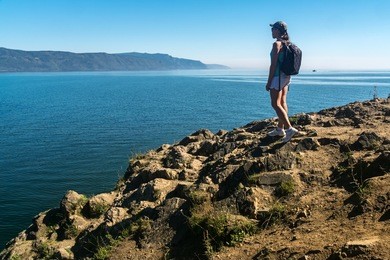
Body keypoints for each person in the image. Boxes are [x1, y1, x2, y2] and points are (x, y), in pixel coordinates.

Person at [266, 21, 298, 142]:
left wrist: (269, 82)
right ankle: (280, 129)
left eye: (273, 29)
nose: (271, 31)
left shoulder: (277, 44)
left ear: (278, 30)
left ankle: (289, 129)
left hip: (277, 77)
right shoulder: (288, 44)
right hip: (286, 76)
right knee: (283, 101)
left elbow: (273, 65)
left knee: (275, 104)